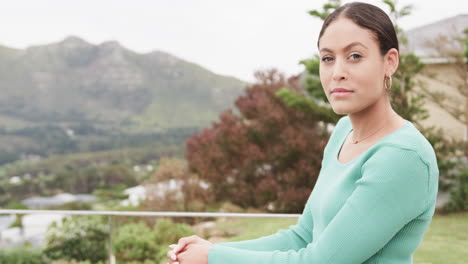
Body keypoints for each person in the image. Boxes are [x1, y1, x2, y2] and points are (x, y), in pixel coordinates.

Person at [166, 2, 439, 263]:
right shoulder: (343, 132)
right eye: (328, 58)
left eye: (355, 56)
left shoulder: (404, 157)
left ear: (389, 62)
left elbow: (319, 260)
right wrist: (212, 250)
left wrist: (214, 258)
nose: (337, 72)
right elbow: (303, 236)